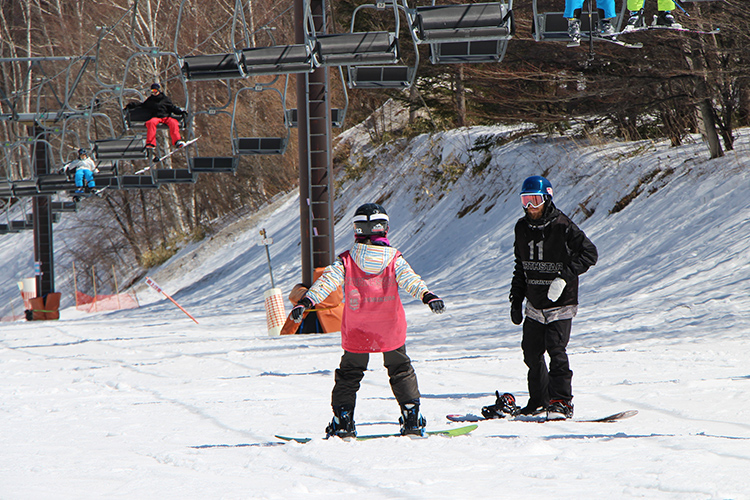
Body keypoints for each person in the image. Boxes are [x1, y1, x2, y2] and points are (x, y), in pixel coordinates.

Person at [290, 203, 445, 438]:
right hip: (389, 327)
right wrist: (428, 295)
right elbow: (410, 280)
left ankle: (343, 421)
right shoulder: (394, 258)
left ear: (357, 230)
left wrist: (307, 301)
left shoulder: (347, 260)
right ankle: (411, 417)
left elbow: (326, 283)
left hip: (357, 329)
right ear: (385, 229)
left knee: (349, 373)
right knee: (400, 369)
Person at [507, 176, 598, 420]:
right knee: (530, 352)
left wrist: (563, 276)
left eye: (534, 200)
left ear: (547, 199)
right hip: (535, 303)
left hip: (561, 302)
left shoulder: (562, 225)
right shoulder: (521, 228)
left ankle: (562, 401)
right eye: (525, 201)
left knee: (556, 350)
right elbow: (521, 265)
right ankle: (540, 399)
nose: (530, 207)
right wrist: (516, 298)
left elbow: (590, 254)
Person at [124, 83, 187, 150]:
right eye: (152, 91)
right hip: (156, 117)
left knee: (173, 122)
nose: (154, 93)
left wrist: (181, 112)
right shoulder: (150, 100)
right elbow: (142, 105)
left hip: (165, 117)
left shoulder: (165, 99)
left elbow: (172, 108)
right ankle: (150, 143)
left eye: (155, 91)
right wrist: (132, 105)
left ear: (158, 91)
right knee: (150, 123)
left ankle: (177, 140)